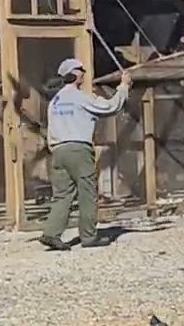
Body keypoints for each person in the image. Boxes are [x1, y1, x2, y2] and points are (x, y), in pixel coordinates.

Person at [38, 57, 132, 250]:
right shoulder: (79, 97)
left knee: (62, 195)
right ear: (74, 74)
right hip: (79, 150)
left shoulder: (55, 102)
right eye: (81, 70)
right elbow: (110, 107)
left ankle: (51, 233)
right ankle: (89, 236)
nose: (84, 73)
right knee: (87, 192)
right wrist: (124, 87)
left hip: (58, 151)